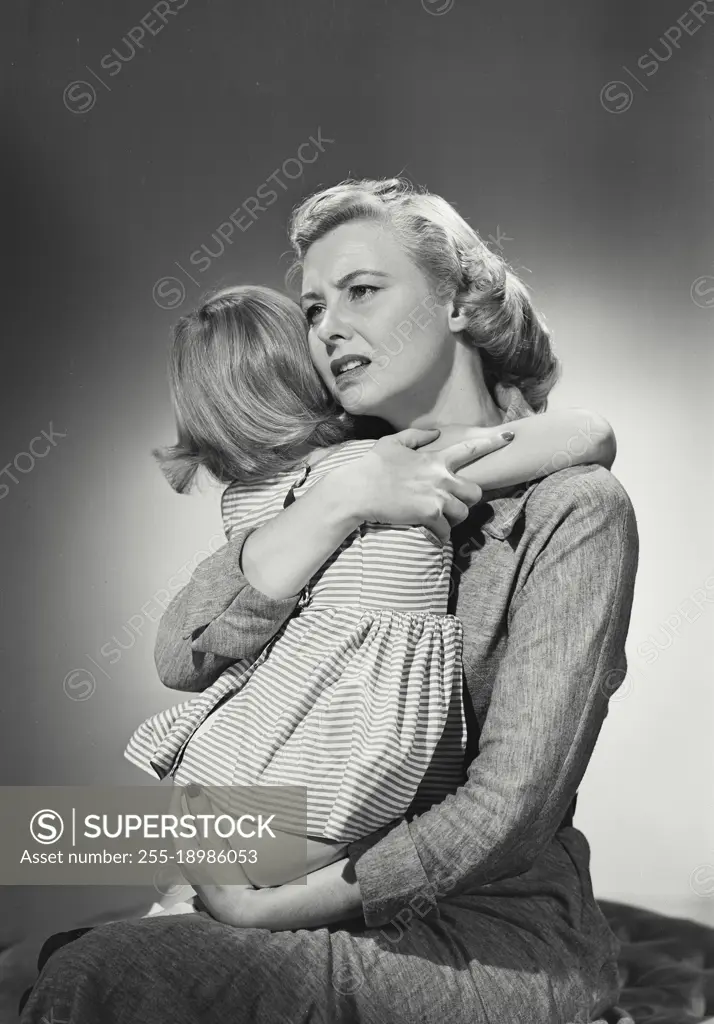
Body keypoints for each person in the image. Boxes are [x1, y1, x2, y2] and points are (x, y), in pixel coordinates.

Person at [21, 178, 638, 1023]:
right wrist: (338, 504)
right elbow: (181, 654)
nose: (330, 327)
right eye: (312, 308)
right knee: (57, 846)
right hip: (291, 843)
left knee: (109, 973)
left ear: (456, 302)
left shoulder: (572, 511)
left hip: (483, 930)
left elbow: (508, 808)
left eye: (361, 291)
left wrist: (265, 910)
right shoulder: (326, 474)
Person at [124, 284, 615, 890]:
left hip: (288, 716)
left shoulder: (256, 498)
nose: (332, 333)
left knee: (228, 855)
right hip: (361, 710)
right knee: (325, 825)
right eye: (314, 316)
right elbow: (587, 434)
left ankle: (199, 899)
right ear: (303, 372)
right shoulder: (383, 463)